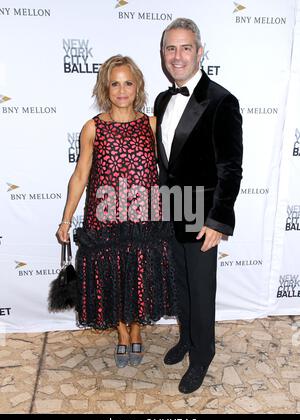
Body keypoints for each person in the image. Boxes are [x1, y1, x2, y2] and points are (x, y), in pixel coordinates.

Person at [56, 55, 177, 368]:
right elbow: (81, 174)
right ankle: (122, 333)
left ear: (137, 87)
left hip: (145, 215)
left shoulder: (152, 125)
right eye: (115, 83)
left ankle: (137, 330)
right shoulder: (92, 128)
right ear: (105, 88)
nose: (121, 90)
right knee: (112, 277)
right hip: (105, 215)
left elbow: (170, 170)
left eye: (128, 82)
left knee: (140, 274)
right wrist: (66, 219)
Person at [154, 18, 243, 393]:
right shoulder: (161, 99)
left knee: (202, 290)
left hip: (203, 216)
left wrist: (218, 221)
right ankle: (187, 339)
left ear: (200, 52)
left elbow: (231, 169)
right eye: (171, 48)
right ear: (163, 54)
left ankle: (202, 356)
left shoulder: (222, 101)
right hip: (173, 209)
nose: (178, 55)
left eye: (185, 47)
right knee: (181, 287)